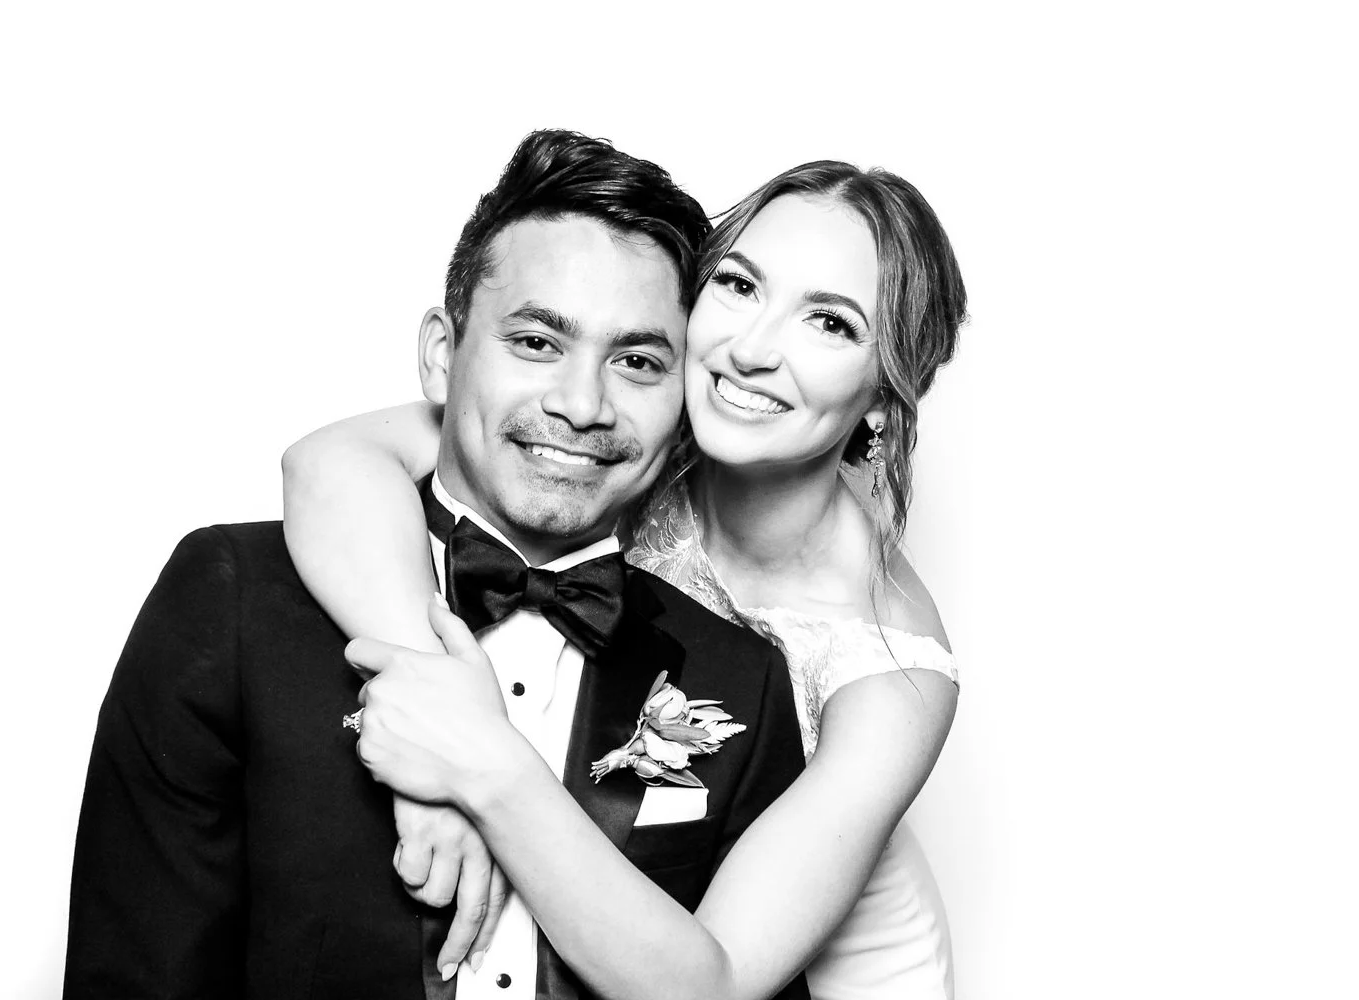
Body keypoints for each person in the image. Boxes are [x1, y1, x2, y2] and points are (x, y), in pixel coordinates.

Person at [64, 130, 812, 1000]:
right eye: (537, 342)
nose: (580, 404)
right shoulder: (234, 599)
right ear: (441, 354)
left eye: (638, 361)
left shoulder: (742, 677)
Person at [284, 154, 967, 998]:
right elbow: (329, 462)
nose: (752, 349)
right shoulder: (613, 439)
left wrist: (479, 764)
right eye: (742, 287)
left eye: (830, 323)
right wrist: (428, 704)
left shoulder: (896, 669)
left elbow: (711, 984)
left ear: (883, 397)